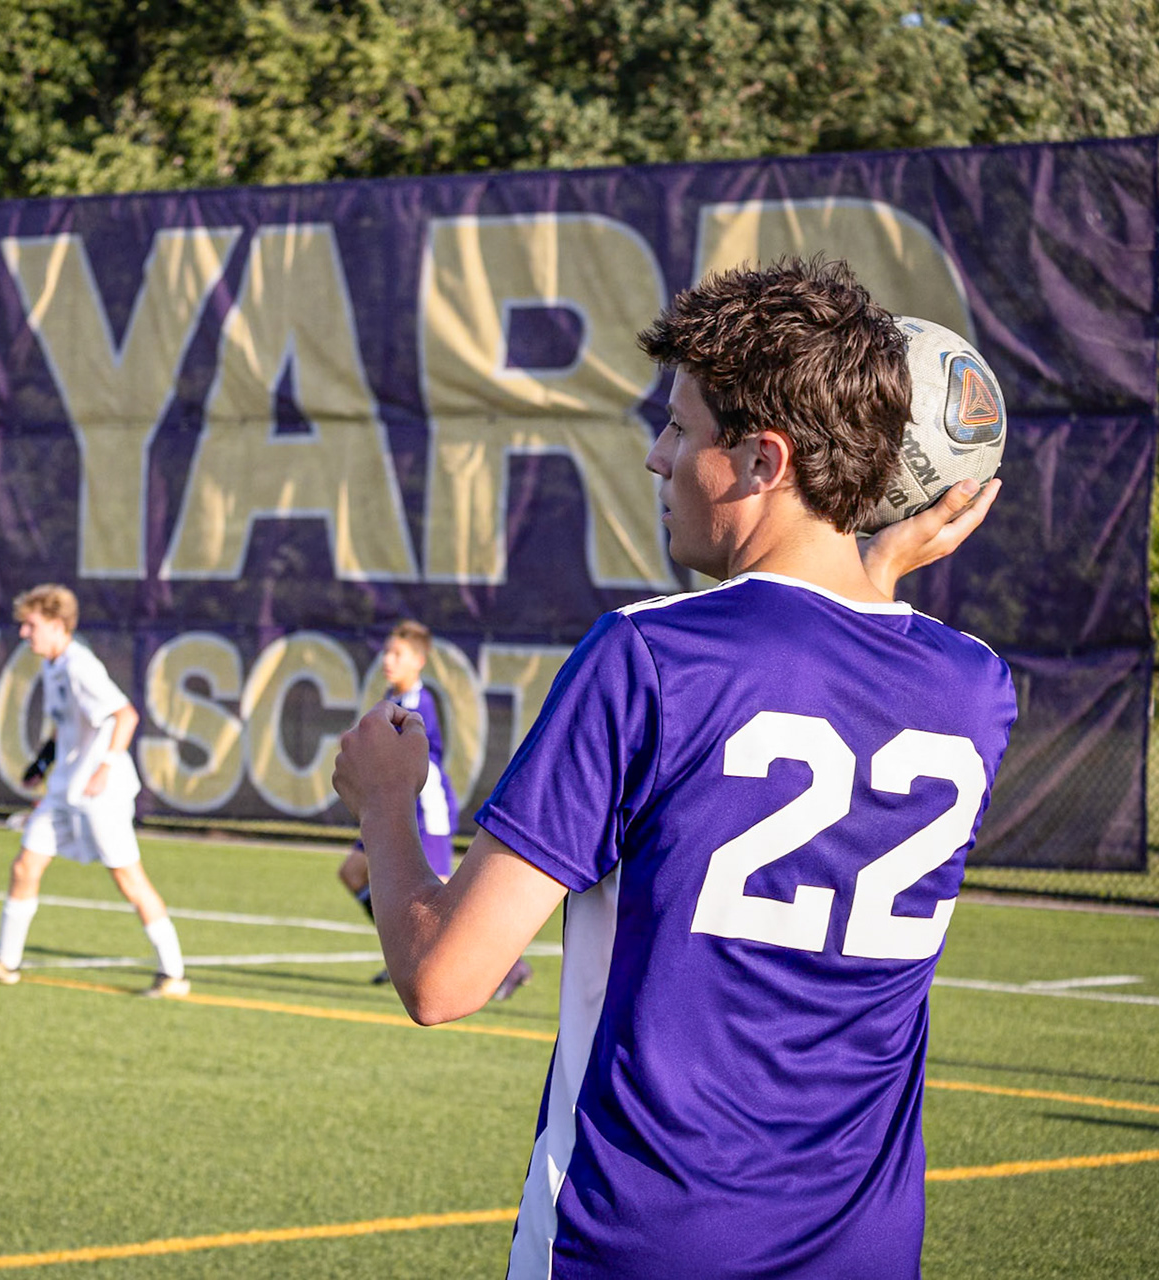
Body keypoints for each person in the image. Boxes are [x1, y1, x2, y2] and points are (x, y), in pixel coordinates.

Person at [332, 259, 1014, 1279]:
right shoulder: (974, 687)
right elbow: (835, 658)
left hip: (638, 1242)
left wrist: (386, 804)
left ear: (763, 459)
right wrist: (866, 574)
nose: (657, 458)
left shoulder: (649, 655)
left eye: (681, 429)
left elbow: (443, 978)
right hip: (862, 1251)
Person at [0, 584, 189, 998]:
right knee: (25, 867)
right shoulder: (53, 665)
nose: (24, 634)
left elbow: (125, 716)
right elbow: (65, 726)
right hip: (65, 789)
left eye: (31, 625)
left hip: (100, 793)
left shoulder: (81, 665)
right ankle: (6, 963)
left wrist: (104, 768)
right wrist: (42, 764)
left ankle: (173, 973)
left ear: (57, 625)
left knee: (128, 879)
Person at [337, 619, 532, 999]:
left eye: (398, 654)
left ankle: (511, 965)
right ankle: (402, 951)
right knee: (353, 872)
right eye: (387, 652)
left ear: (420, 661)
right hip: (396, 804)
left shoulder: (418, 704)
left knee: (446, 902)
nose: (388, 660)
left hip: (427, 808)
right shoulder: (393, 698)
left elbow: (417, 762)